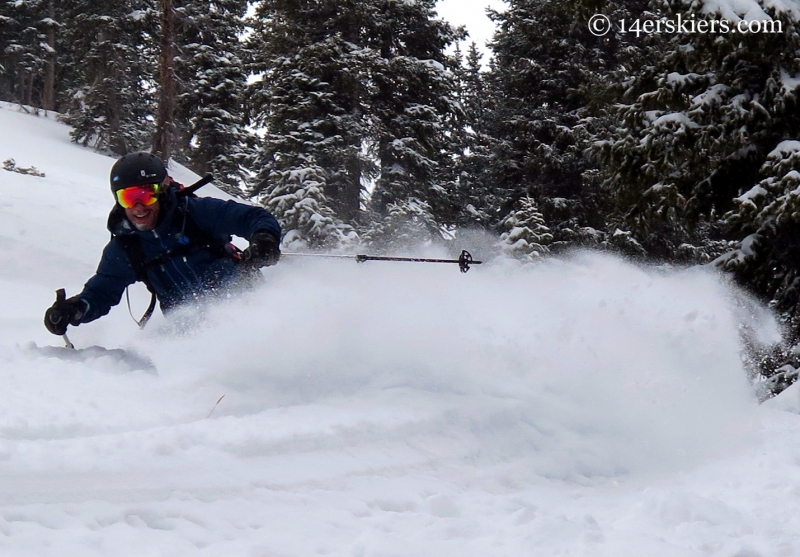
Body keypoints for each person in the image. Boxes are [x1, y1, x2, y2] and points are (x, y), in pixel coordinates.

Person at [44, 152, 281, 335]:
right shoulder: (127, 246)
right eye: (128, 197)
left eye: (146, 194)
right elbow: (103, 290)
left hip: (250, 308)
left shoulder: (196, 213)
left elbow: (253, 217)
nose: (138, 207)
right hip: (194, 334)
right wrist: (75, 309)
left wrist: (264, 239)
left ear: (163, 190)